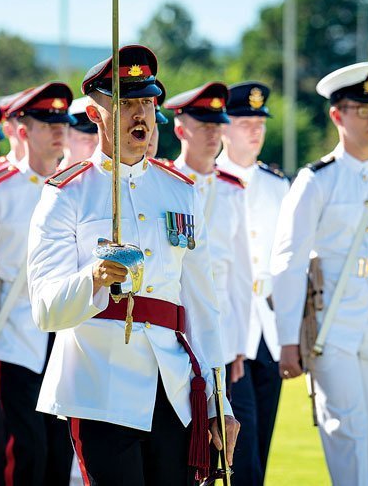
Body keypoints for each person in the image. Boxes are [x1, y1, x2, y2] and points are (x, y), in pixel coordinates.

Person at [27, 45, 238, 486]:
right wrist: (94, 278)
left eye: (146, 101)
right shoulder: (67, 193)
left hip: (175, 389)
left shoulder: (180, 191)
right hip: (100, 388)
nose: (139, 114)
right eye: (124, 103)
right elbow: (46, 310)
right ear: (95, 113)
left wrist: (221, 403)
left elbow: (203, 305)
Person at [271, 62, 368, 486]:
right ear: (337, 115)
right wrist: (287, 341)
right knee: (346, 435)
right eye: (363, 110)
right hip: (332, 330)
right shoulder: (316, 181)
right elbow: (287, 263)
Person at [0, 82, 74, 486]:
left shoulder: (77, 187)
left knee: (60, 453)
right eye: (46, 122)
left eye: (62, 121)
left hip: (66, 340)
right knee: (23, 453)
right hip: (13, 337)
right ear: (23, 130)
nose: (59, 130)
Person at [164, 82, 253, 444]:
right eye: (204, 127)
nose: (213, 135)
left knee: (227, 443)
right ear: (181, 128)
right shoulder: (165, 182)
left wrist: (239, 346)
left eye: (218, 126)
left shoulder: (233, 188)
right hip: (176, 328)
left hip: (223, 332)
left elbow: (241, 275)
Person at [216, 81, 289, 483]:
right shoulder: (205, 181)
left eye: (260, 121)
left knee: (261, 444)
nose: (255, 130)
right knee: (238, 451)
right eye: (245, 121)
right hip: (228, 326)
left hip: (268, 328)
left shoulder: (278, 184)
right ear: (224, 126)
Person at [61, 96, 100, 167]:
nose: (97, 146)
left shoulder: (111, 177)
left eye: (99, 140)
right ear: (63, 139)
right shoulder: (46, 177)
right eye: (86, 140)